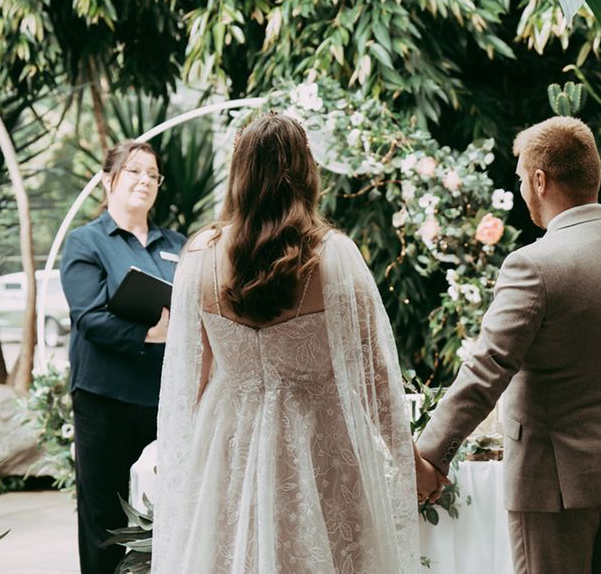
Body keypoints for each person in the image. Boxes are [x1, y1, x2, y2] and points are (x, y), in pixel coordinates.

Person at [152, 113, 419, 573]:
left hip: (229, 444)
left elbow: (189, 383)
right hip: (319, 443)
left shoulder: (199, 257)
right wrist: (412, 462)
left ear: (238, 175)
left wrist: (183, 464)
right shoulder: (334, 256)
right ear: (306, 172)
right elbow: (375, 378)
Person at [415, 116, 601, 574]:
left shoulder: (533, 265)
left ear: (540, 179)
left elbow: (487, 368)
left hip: (554, 485)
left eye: (520, 179)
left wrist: (429, 454)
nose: (520, 191)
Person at [60, 141, 186, 574]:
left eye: (152, 175)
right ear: (108, 179)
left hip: (164, 400)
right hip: (104, 400)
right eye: (134, 171)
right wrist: (150, 333)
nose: (145, 181)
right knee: (105, 518)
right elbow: (89, 317)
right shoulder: (86, 243)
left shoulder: (178, 245)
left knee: (168, 510)